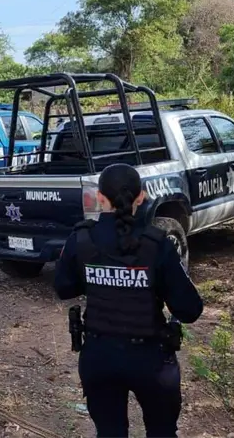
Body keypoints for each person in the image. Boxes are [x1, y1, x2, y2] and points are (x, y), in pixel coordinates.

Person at [53, 163, 203, 438]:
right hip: (150, 359)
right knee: (162, 432)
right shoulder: (156, 244)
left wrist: (98, 277)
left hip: (99, 356)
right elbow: (190, 309)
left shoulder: (81, 238)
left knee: (109, 433)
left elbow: (63, 287)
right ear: (141, 197)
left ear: (99, 197)